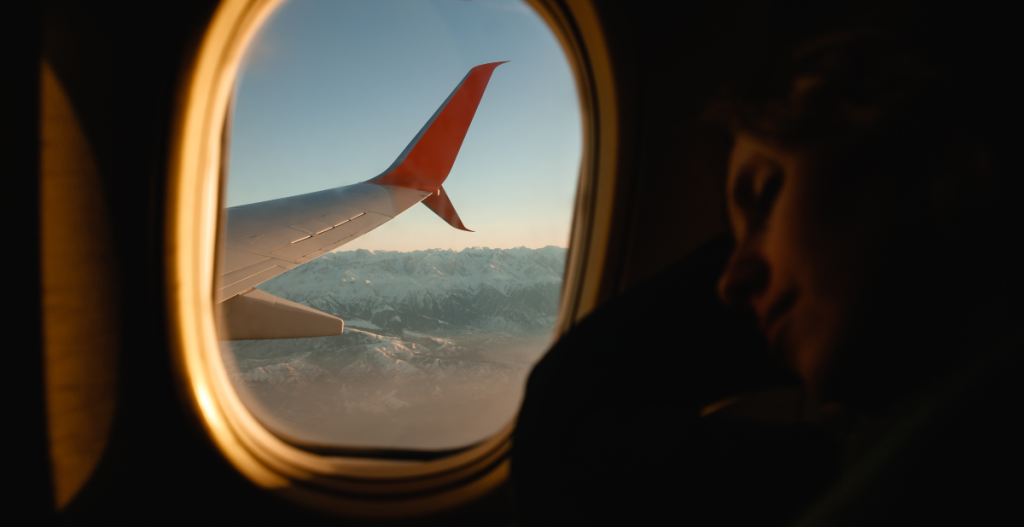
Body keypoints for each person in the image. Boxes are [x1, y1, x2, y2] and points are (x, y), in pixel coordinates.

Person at [512, 3, 1022, 525]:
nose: (730, 285)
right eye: (733, 241)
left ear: (929, 148)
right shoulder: (925, 453)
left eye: (764, 198)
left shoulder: (947, 468)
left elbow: (566, 417)